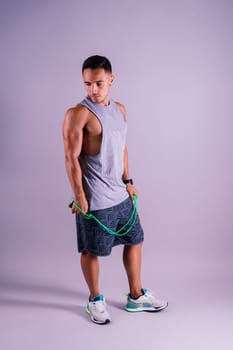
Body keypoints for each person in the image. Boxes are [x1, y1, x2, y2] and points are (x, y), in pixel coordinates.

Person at [62, 55, 168, 324]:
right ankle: (95, 300)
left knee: (135, 240)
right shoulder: (78, 114)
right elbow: (70, 158)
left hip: (120, 195)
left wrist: (129, 181)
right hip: (95, 200)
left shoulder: (120, 109)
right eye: (87, 84)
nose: (93, 90)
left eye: (99, 83)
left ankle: (135, 296)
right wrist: (79, 196)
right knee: (91, 251)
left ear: (111, 80)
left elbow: (121, 148)